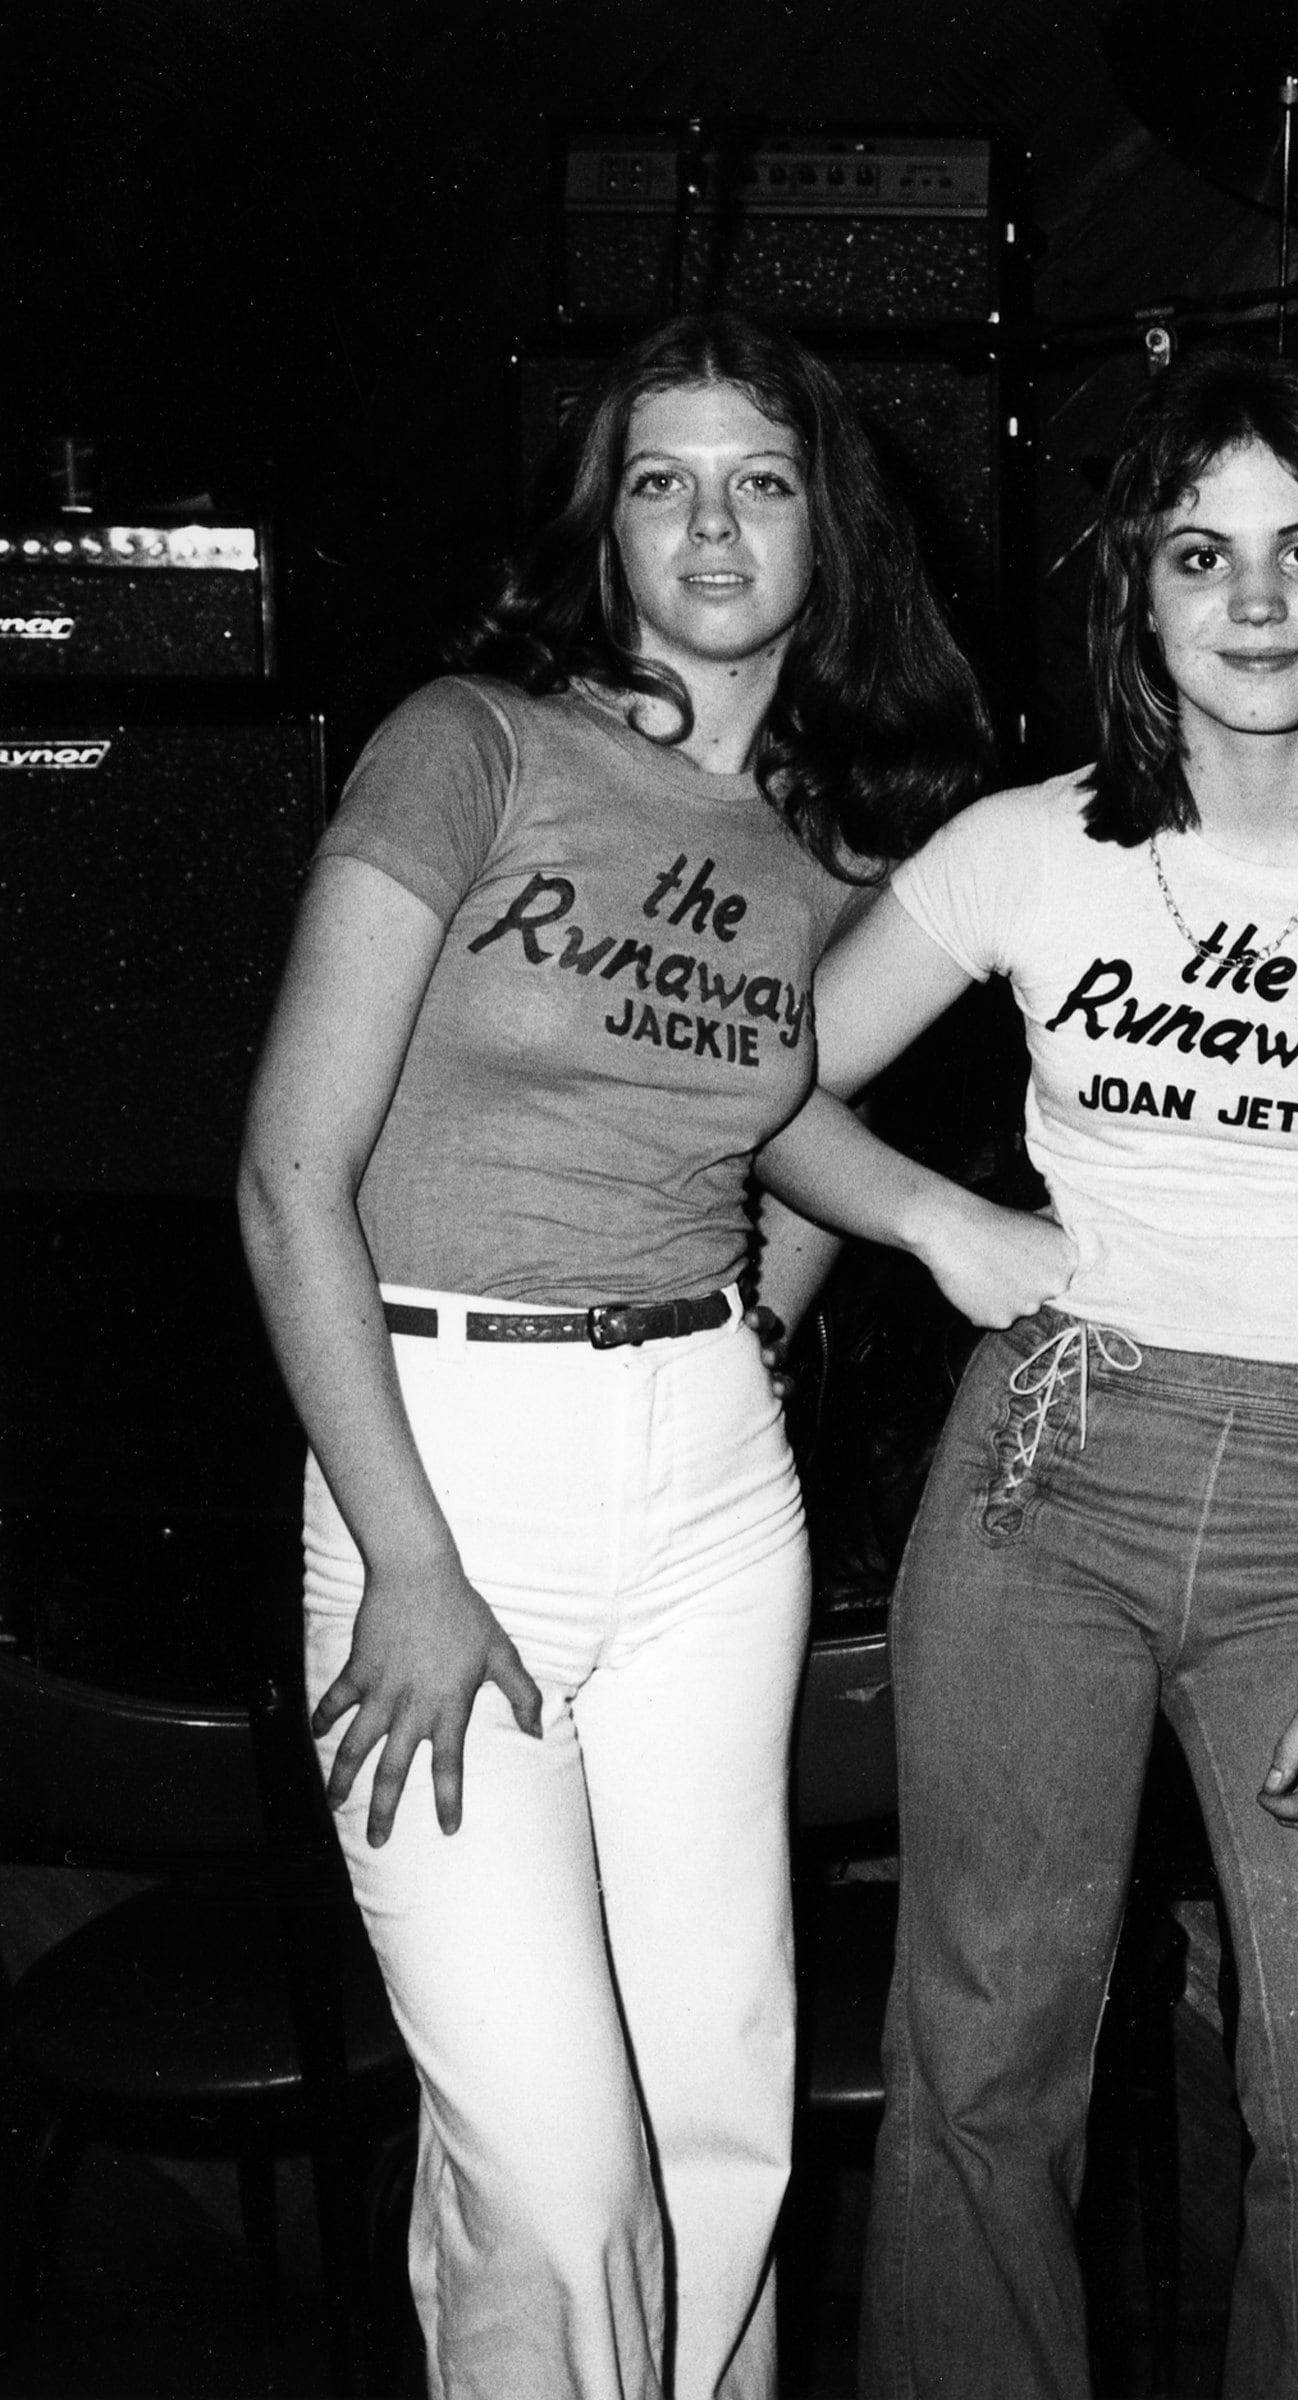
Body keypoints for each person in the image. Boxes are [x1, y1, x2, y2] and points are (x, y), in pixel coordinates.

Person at [753, 349, 1298, 2400]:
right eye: (1200, 554)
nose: (1255, 600)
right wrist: (938, 1224)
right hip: (1050, 1476)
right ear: (1135, 590)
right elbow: (754, 1076)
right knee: (989, 2067)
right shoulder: (1030, 846)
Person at [237, 311, 991, 2396]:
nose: (711, 519)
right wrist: (402, 1559)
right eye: (661, 479)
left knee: (719, 2121)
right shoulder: (466, 743)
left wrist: (895, 1243)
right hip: (438, 1455)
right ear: (606, 528)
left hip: (700, 1461)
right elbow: (287, 1181)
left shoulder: (824, 841)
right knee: (554, 2174)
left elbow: (760, 1110)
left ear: (825, 522)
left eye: (757, 476)